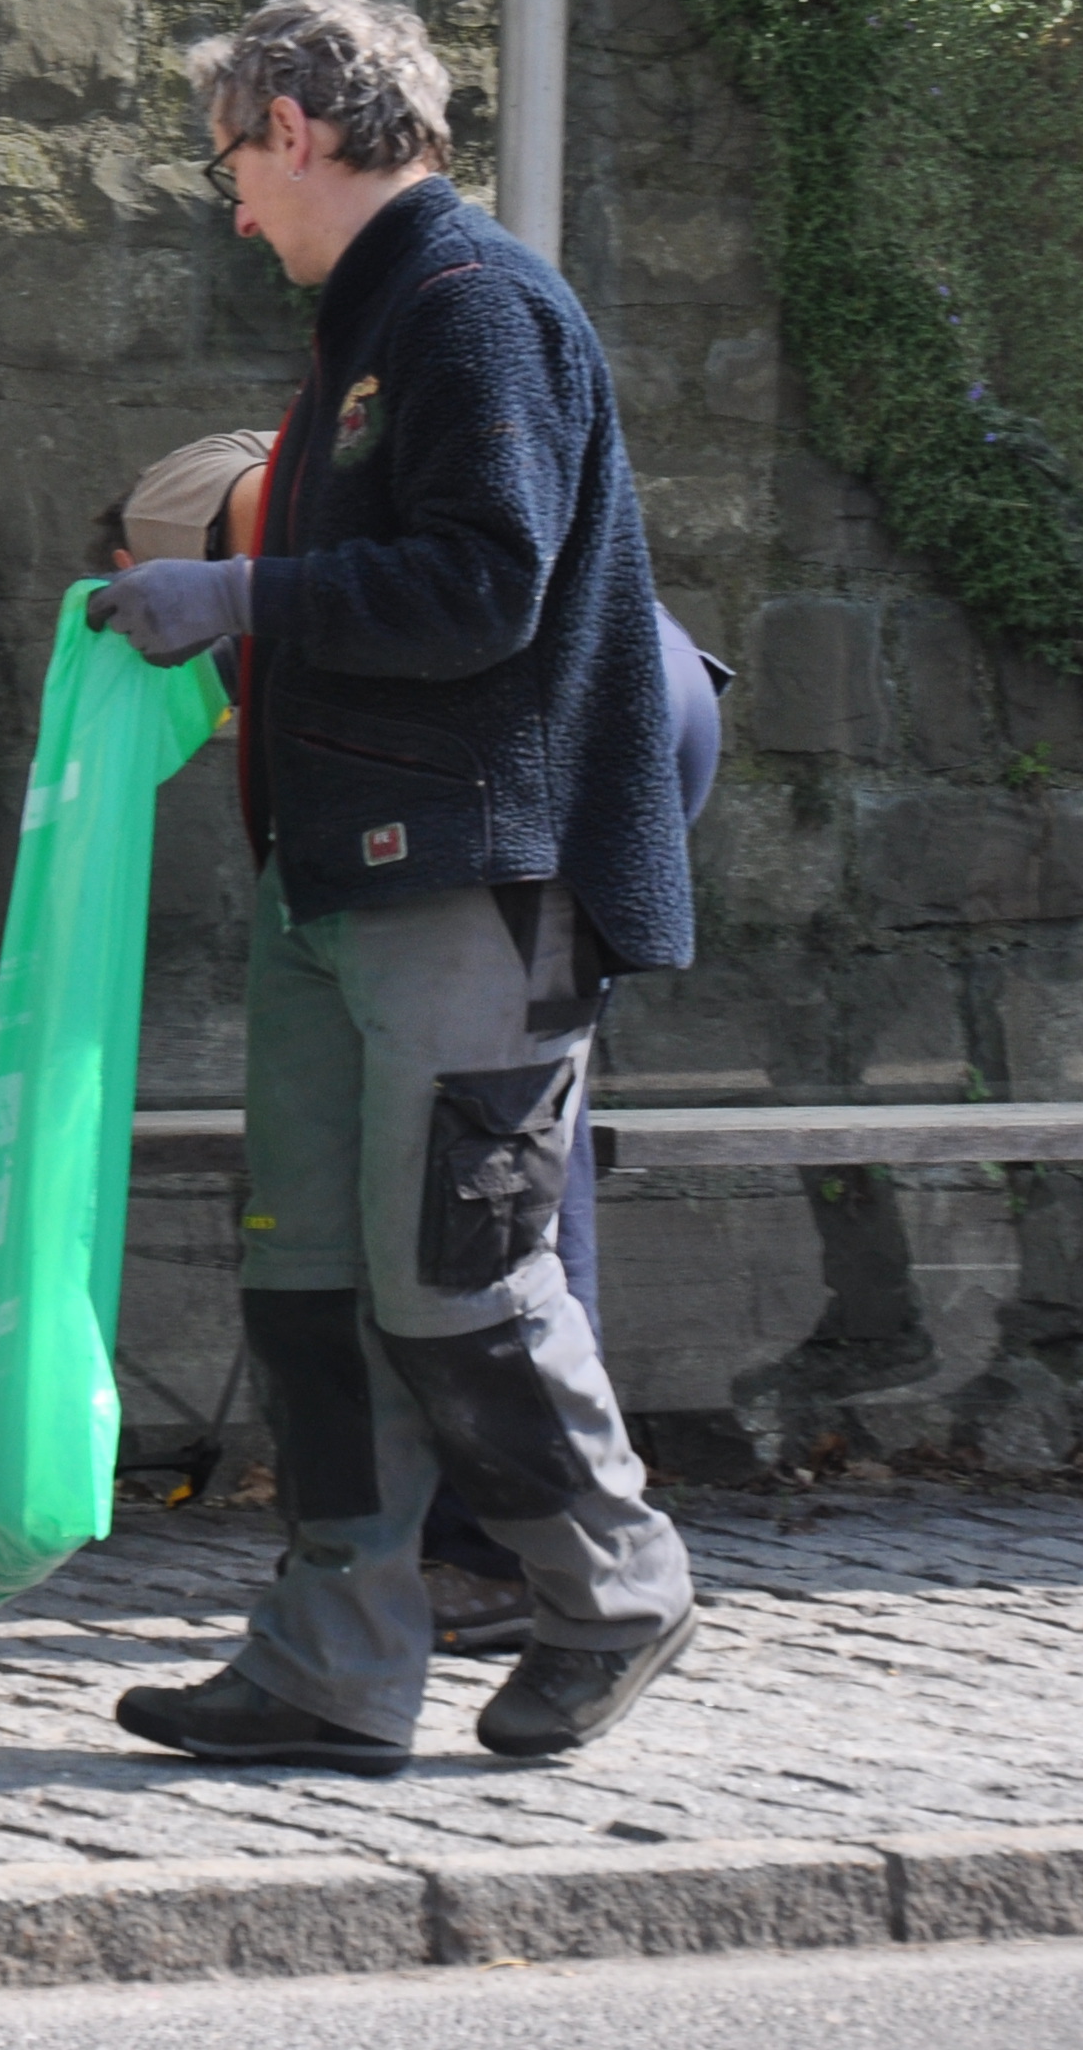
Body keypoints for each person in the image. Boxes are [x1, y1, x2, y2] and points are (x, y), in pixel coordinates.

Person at [86, 0, 699, 1771]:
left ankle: (615, 1583)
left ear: (292, 128)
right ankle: (331, 1662)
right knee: (310, 1281)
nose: (231, 206)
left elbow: (484, 587)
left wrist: (235, 595)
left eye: (230, 162)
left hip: (469, 874)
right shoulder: (380, 316)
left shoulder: (472, 303)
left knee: (451, 1275)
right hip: (345, 879)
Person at [101, 433, 728, 1659]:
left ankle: (514, 1562)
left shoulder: (262, 531)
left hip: (546, 750)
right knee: (505, 1161)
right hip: (624, 698)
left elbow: (429, 603)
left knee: (477, 1197)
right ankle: (453, 1569)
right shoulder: (339, 464)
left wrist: (223, 604)